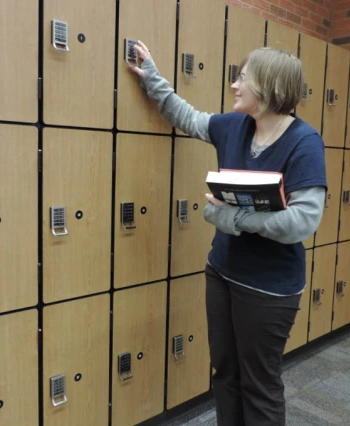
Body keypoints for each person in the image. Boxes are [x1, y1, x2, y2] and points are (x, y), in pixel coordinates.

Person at [129, 40, 327, 426]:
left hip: (269, 287)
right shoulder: (234, 126)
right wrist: (152, 76)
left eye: (242, 78)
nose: (235, 86)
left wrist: (233, 220)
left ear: (268, 87)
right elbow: (185, 115)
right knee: (224, 372)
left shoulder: (304, 142)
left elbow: (303, 221)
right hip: (222, 272)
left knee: (260, 384)